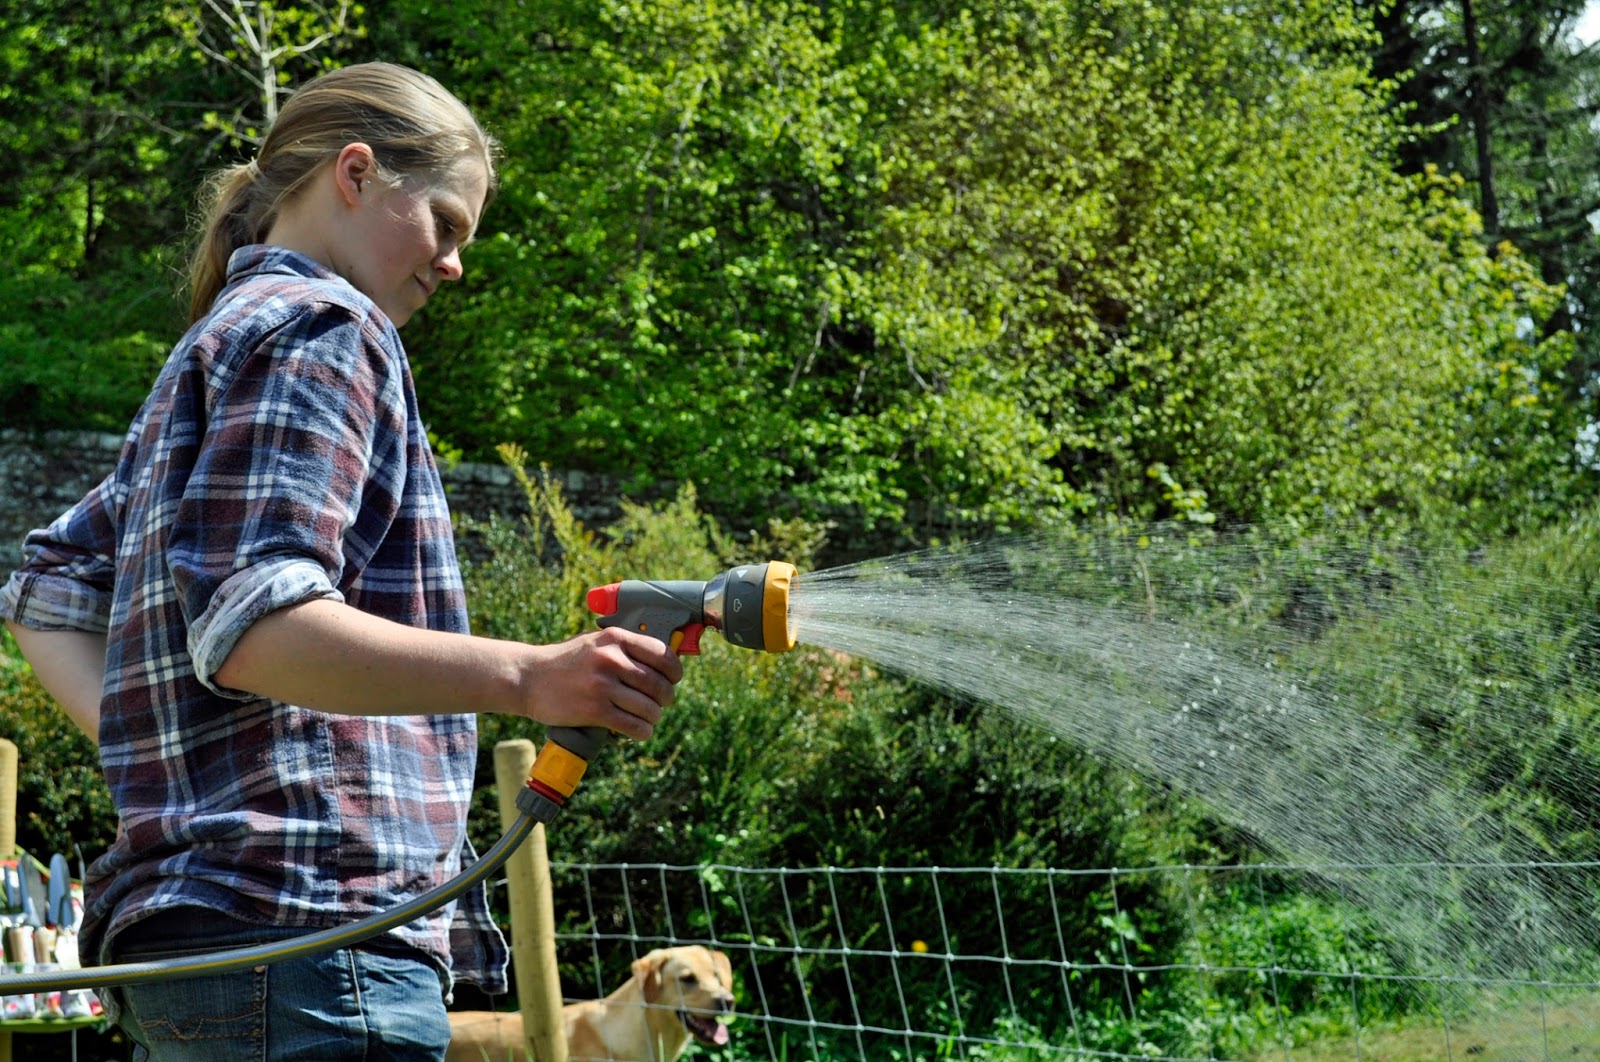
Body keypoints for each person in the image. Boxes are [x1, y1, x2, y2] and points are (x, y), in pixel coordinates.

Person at [0, 62, 684, 1061]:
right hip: (310, 937)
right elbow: (256, 623)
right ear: (355, 174)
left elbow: (47, 589)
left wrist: (173, 762)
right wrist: (529, 676)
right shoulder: (325, 329)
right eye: (444, 225)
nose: (452, 264)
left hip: (206, 949)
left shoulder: (206, 355)